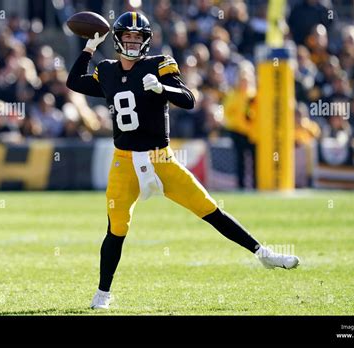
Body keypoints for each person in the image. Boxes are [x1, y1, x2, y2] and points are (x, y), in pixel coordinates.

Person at [66, 12, 300, 310]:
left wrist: (163, 89)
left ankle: (263, 252)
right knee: (117, 229)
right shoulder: (108, 71)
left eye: (138, 38)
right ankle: (103, 293)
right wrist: (88, 48)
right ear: (118, 39)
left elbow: (188, 99)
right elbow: (74, 82)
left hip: (161, 159)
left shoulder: (158, 64)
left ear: (146, 41)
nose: (133, 42)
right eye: (128, 37)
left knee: (209, 209)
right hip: (123, 162)